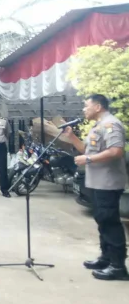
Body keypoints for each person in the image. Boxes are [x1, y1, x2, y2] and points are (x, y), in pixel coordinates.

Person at [65, 94, 128, 281]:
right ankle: (106, 258)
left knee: (110, 222)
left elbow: (116, 151)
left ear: (98, 106)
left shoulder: (111, 124)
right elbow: (87, 149)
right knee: (102, 220)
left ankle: (118, 266)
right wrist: (72, 137)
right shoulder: (98, 126)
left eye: (87, 106)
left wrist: (89, 159)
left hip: (108, 183)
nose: (84, 110)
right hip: (98, 182)